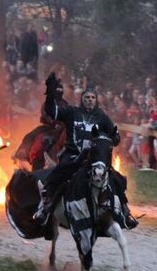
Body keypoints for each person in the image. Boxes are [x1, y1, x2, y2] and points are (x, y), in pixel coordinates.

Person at [34, 73, 137, 229]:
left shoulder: (101, 116)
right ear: (82, 99)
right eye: (87, 97)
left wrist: (115, 138)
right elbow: (51, 111)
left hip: (94, 159)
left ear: (96, 101)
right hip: (73, 156)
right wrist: (50, 92)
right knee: (57, 176)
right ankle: (45, 208)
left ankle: (124, 212)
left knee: (118, 179)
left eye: (92, 98)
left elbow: (114, 136)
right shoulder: (71, 112)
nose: (90, 100)